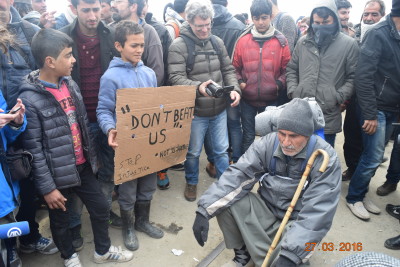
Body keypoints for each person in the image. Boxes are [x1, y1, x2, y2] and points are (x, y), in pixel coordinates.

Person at [18, 28, 133, 267]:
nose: (74, 60)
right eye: (68, 55)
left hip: (82, 166)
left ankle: (102, 251)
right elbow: (34, 150)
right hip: (56, 175)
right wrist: (48, 188)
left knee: (101, 207)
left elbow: (81, 125)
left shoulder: (70, 83)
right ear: (50, 61)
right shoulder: (29, 99)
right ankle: (69, 256)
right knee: (60, 220)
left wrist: (94, 157)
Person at [192, 98, 341, 267]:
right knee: (226, 202)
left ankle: (278, 253)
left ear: (307, 135)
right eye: (282, 134)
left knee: (292, 256)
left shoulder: (325, 159)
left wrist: (291, 254)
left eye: (293, 136)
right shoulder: (268, 143)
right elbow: (238, 174)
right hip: (266, 211)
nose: (285, 142)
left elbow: (318, 213)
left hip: (295, 220)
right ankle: (245, 254)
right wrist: (204, 210)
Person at [97, 20, 164, 253]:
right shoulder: (110, 77)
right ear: (118, 45)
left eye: (142, 45)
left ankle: (143, 221)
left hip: (149, 142)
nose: (139, 50)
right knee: (127, 188)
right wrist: (109, 129)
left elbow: (156, 105)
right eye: (133, 45)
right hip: (127, 145)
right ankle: (128, 226)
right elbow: (103, 110)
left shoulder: (149, 74)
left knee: (148, 183)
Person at [0, 2, 59, 265]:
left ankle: (26, 238)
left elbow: (43, 77)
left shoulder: (29, 31)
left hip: (20, 127)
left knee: (25, 190)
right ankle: (9, 247)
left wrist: (19, 120)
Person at [60, 0, 121, 250]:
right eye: (86, 10)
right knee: (75, 178)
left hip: (107, 117)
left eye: (96, 9)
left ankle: (103, 214)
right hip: (74, 121)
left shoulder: (112, 35)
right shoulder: (63, 37)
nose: (93, 15)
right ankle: (75, 228)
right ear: (74, 9)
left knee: (107, 172)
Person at [168, 0, 241, 202]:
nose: (205, 29)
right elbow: (175, 78)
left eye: (208, 24)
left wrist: (234, 90)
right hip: (195, 112)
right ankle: (191, 182)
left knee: (221, 151)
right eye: (200, 26)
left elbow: (228, 70)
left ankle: (225, 187)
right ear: (189, 21)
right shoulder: (178, 45)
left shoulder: (217, 41)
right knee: (192, 153)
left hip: (219, 109)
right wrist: (197, 87)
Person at [345, 0, 400, 220]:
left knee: (374, 156)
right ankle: (353, 197)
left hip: (391, 107)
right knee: (374, 155)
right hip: (374, 106)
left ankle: (361, 191)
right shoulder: (379, 33)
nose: (368, 17)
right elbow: (363, 76)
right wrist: (369, 113)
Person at [286, 0, 359, 148]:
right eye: (316, 22)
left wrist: (338, 96)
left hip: (328, 112)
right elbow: (292, 69)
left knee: (322, 160)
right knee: (298, 158)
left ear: (334, 20)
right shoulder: (303, 43)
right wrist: (294, 91)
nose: (320, 26)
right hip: (301, 109)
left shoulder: (348, 44)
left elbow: (353, 77)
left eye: (325, 22)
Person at [232, 0, 290, 154]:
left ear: (271, 17)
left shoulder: (281, 41)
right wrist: (240, 82)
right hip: (247, 99)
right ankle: (245, 169)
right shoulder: (243, 41)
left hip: (271, 99)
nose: (260, 22)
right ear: (251, 18)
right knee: (248, 136)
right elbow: (234, 67)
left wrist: (278, 84)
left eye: (264, 18)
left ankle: (269, 169)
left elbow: (288, 69)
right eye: (256, 18)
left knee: (270, 138)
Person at [341, 0, 386, 182]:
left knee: (371, 145)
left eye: (374, 14)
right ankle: (352, 168)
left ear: (382, 16)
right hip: (354, 96)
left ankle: (361, 181)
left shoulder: (387, 37)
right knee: (350, 136)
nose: (369, 18)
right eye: (366, 14)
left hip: (378, 100)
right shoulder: (354, 36)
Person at [204, 0, 245, 178]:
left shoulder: (204, 23)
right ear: (226, 3)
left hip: (208, 83)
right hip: (231, 79)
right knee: (234, 124)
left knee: (210, 124)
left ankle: (214, 162)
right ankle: (235, 161)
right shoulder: (239, 26)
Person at [0, 25, 28, 267]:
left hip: (3, 182)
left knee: (8, 221)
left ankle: (12, 252)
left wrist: (16, 121)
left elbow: (7, 137)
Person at [111, 0, 164, 86]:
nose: (113, 5)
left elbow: (157, 72)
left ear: (133, 6)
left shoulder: (149, 32)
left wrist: (142, 96)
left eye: (119, 1)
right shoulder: (109, 30)